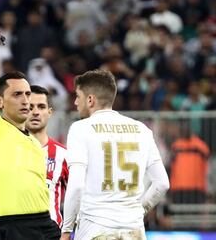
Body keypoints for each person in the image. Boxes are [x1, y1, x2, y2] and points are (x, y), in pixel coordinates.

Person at [0, 0, 60, 240]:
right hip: (17, 228)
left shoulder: (32, 140)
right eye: (17, 94)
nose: (25, 99)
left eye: (28, 94)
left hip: (47, 224)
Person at [60, 69, 170, 240]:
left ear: (90, 100)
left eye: (78, 96)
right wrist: (138, 210)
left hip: (96, 228)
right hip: (134, 230)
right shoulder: (142, 130)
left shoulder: (80, 128)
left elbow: (76, 186)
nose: (75, 102)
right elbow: (162, 183)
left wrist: (66, 230)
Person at [0, 85, 69, 228]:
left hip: (51, 235)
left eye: (41, 107)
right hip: (14, 233)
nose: (36, 112)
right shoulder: (1, 151)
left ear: (50, 112)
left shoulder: (64, 155)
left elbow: (79, 197)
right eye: (31, 107)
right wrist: (19, 209)